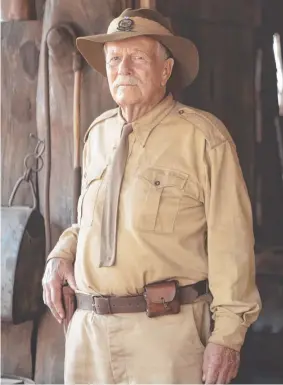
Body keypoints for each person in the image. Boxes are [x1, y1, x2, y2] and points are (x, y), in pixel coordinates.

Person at [41, 7, 261, 384]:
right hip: (88, 336)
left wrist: (227, 338)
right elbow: (94, 223)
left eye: (137, 58)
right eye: (114, 59)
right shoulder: (98, 134)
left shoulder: (203, 138)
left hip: (164, 336)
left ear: (165, 71)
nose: (122, 68)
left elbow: (233, 244)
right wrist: (62, 252)